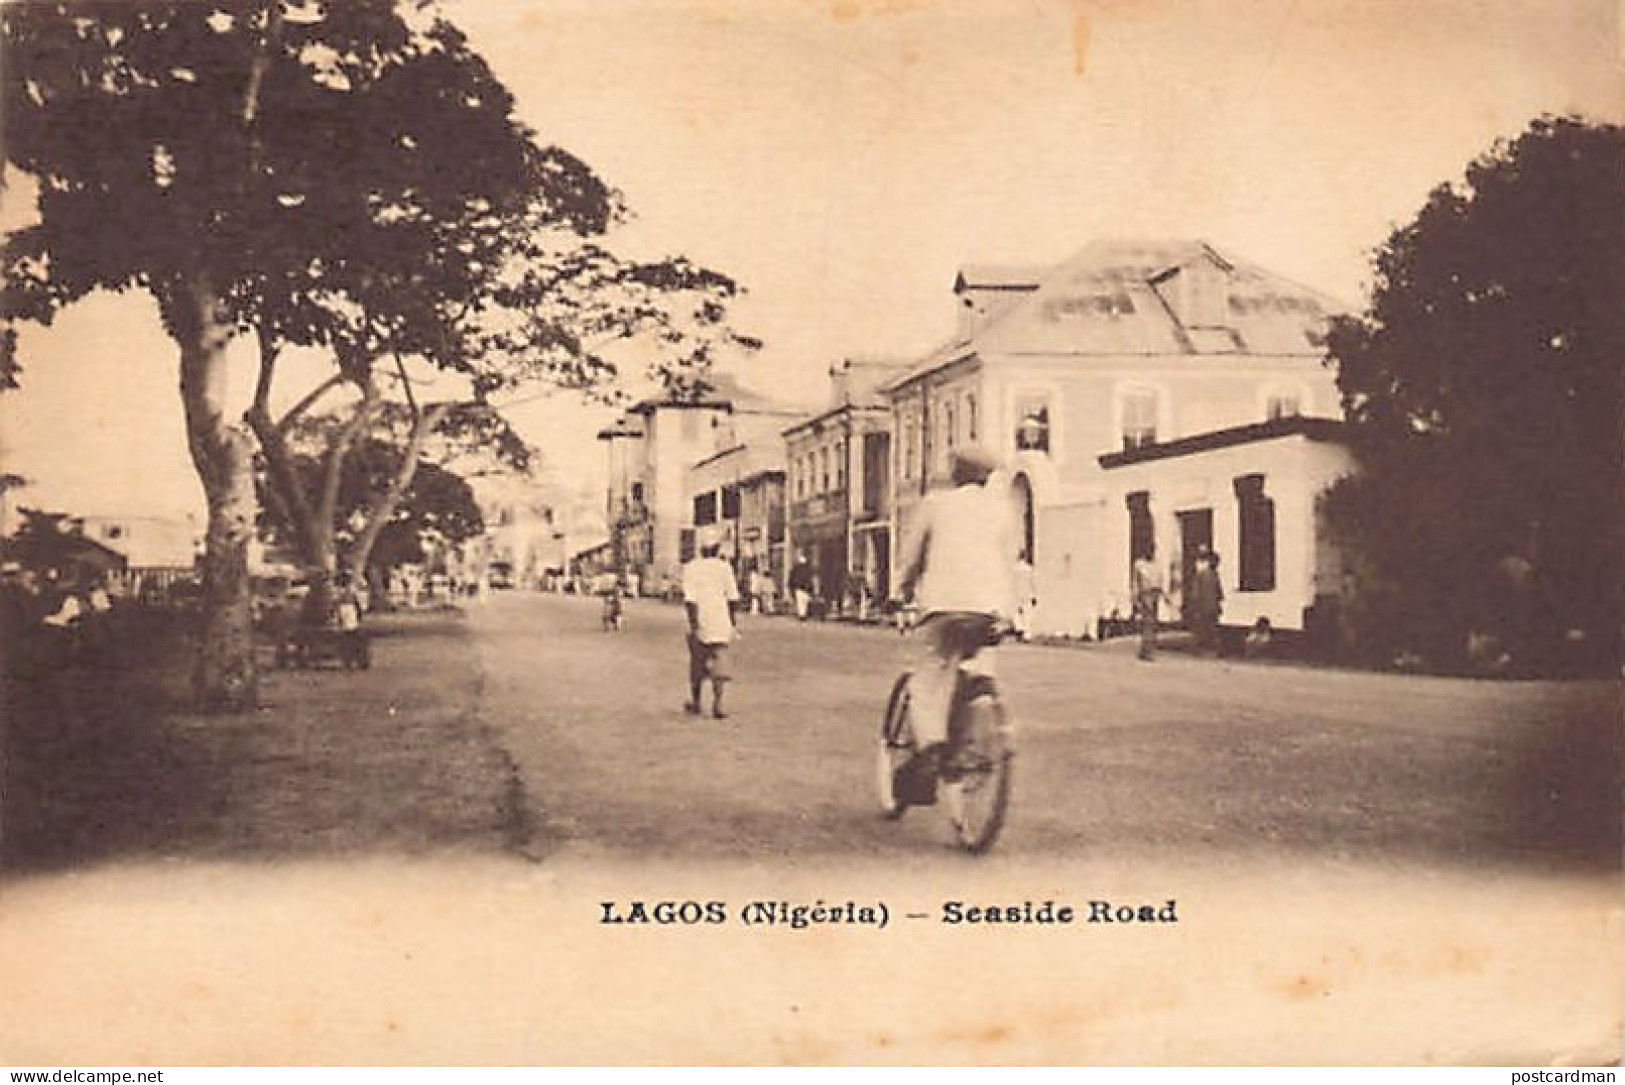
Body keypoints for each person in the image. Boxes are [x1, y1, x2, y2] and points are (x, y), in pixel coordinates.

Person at [894, 447, 1017, 773]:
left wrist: (903, 588)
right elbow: (1009, 560)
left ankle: (932, 748)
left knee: (927, 679)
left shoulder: (936, 504)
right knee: (976, 667)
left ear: (955, 473)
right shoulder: (1002, 509)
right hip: (990, 607)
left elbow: (912, 555)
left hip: (943, 606)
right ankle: (973, 731)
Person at [682, 541, 741, 719]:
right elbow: (732, 597)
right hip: (720, 619)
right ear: (717, 550)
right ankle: (718, 703)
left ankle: (697, 702)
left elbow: (690, 600)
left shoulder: (691, 568)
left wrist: (694, 625)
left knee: (697, 662)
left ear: (701, 550)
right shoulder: (725, 568)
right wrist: (732, 621)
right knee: (720, 661)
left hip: (700, 618)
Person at [1189, 548, 1225, 655]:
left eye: (1217, 562)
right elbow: (1195, 592)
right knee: (1202, 628)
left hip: (1211, 606)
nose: (1216, 564)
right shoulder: (1202, 574)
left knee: (1211, 628)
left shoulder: (1214, 575)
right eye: (1214, 562)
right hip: (1203, 606)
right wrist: (1195, 606)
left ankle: (1209, 648)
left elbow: (1219, 592)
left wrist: (1219, 604)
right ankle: (1199, 649)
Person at [1131, 547, 1164, 661]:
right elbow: (1135, 582)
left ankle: (1146, 649)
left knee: (1152, 623)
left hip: (1155, 594)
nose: (1151, 553)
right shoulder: (1139, 565)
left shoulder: (1157, 565)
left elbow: (1160, 581)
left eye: (1152, 550)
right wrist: (1135, 598)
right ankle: (1147, 651)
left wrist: (1163, 595)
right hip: (1145, 594)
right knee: (1148, 622)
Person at [788, 552, 814, 621]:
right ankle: (803, 614)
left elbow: (791, 578)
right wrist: (811, 588)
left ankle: (801, 615)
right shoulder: (808, 569)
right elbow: (811, 579)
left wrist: (791, 586)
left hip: (798, 587)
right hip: (806, 588)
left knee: (800, 602)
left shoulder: (795, 569)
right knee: (805, 601)